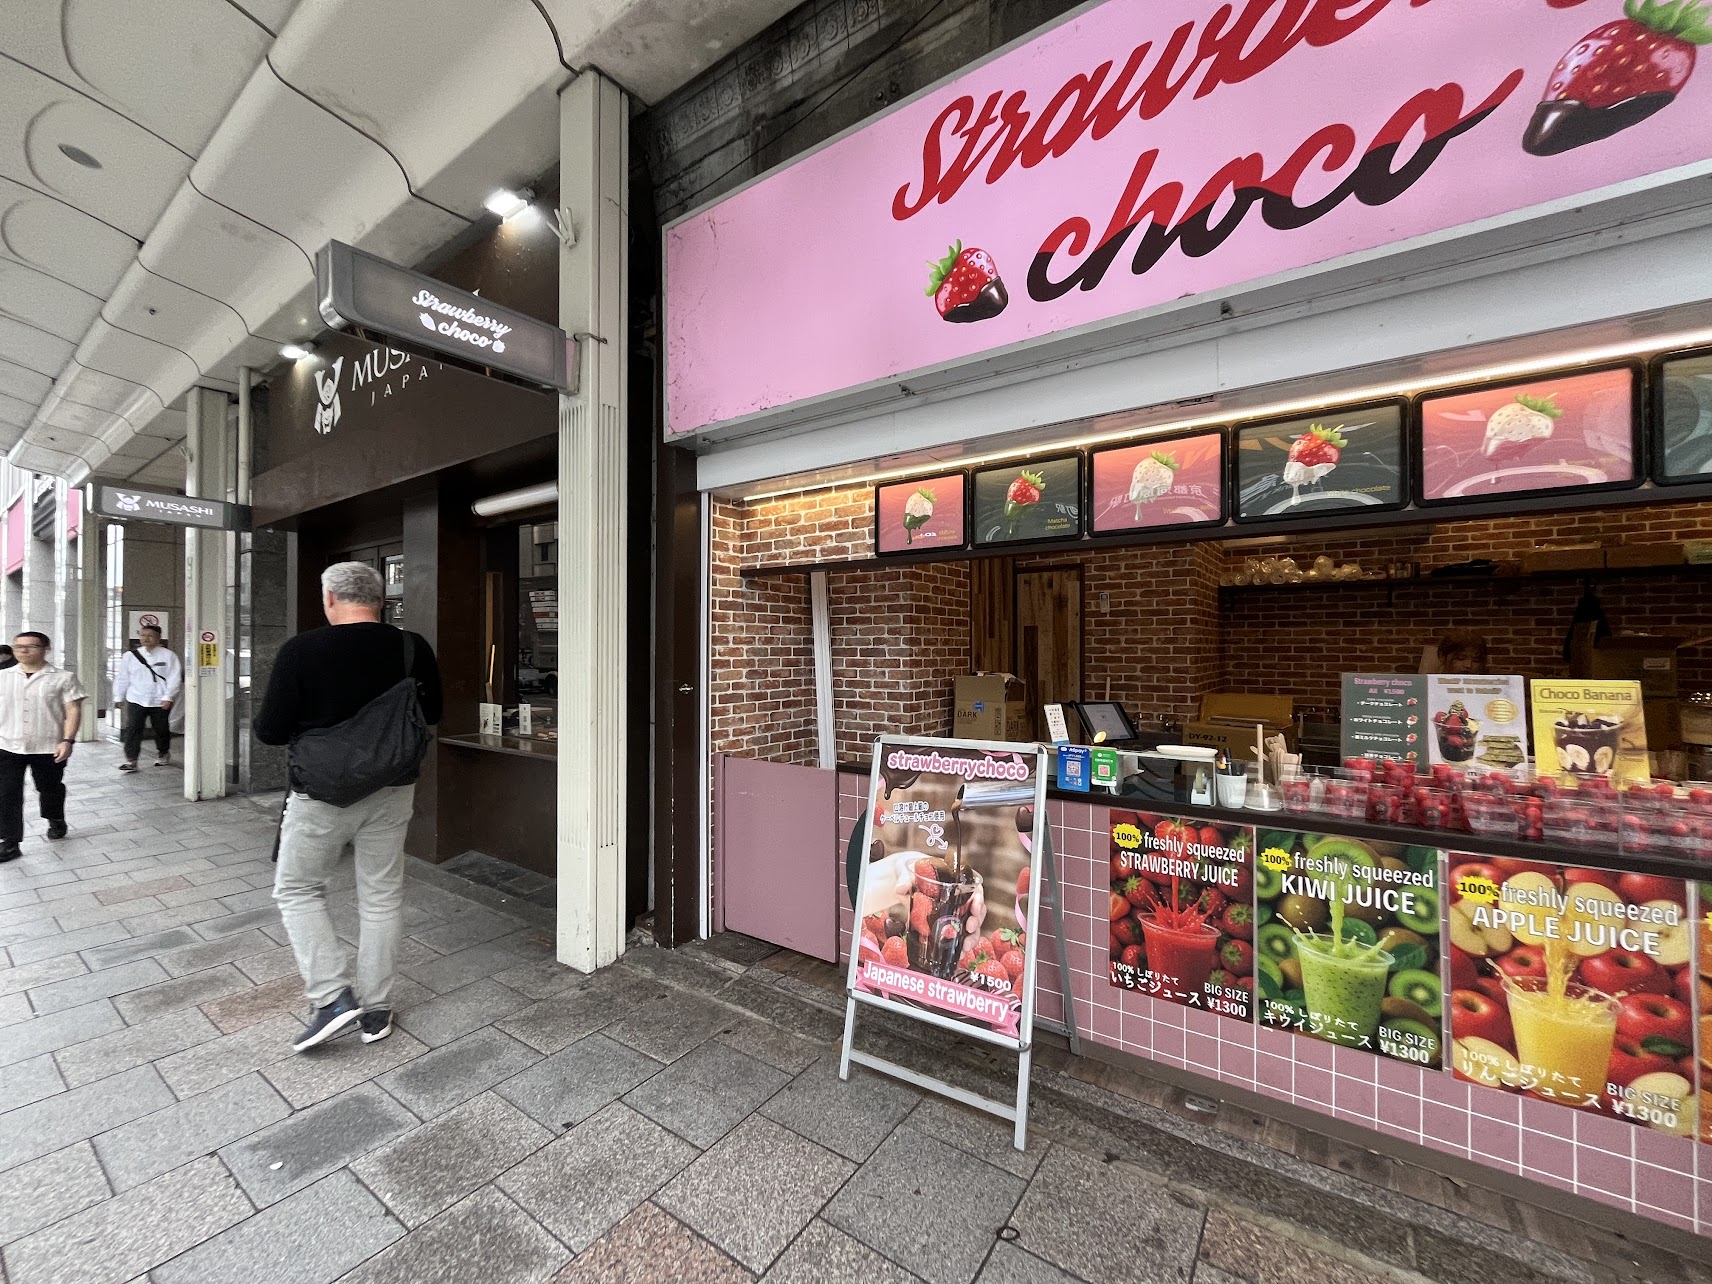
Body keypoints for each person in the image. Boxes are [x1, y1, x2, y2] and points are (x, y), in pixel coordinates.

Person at [256, 562, 442, 1052]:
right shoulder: (412, 647)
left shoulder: (301, 650)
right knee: (381, 894)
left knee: (298, 889)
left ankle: (332, 997)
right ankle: (376, 1010)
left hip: (322, 794)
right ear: (380, 601)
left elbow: (270, 730)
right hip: (393, 788)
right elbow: (434, 713)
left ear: (329, 599)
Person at [0, 632, 86, 862]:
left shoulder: (64, 678)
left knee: (49, 787)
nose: (23, 650)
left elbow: (73, 710)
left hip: (48, 745)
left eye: (31, 646)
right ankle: (10, 842)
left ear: (46, 648)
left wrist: (68, 740)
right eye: (18, 646)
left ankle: (55, 818)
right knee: (7, 792)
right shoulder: (3, 677)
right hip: (7, 745)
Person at [113, 623, 182, 771]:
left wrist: (169, 696)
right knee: (133, 729)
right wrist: (118, 696)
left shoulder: (168, 656)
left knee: (161, 729)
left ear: (158, 638)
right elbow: (123, 677)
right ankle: (131, 760)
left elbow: (174, 677)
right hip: (136, 698)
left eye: (150, 636)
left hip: (160, 700)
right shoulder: (130, 656)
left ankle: (163, 753)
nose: (146, 638)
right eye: (143, 635)